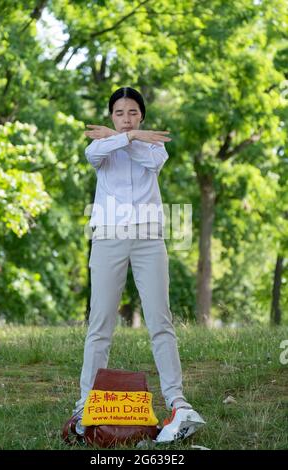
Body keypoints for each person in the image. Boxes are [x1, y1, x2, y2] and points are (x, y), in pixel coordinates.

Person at [64, 86, 205, 444]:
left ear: (141, 115)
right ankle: (85, 404)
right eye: (118, 114)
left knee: (161, 320)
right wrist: (124, 137)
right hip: (109, 237)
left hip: (148, 239)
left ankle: (178, 402)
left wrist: (131, 137)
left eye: (132, 114)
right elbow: (94, 152)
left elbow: (152, 161)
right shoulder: (100, 146)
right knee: (100, 323)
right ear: (110, 116)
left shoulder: (155, 148)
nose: (126, 119)